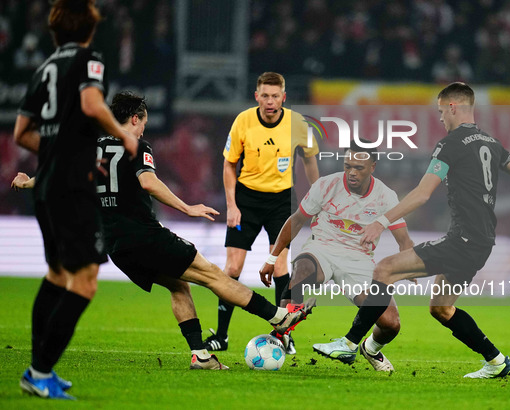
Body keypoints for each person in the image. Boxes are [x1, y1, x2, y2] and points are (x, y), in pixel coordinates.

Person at [12, 91, 316, 374]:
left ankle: (200, 354)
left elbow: (58, 175)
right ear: (134, 119)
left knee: (179, 286)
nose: (143, 130)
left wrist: (27, 182)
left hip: (114, 244)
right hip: (144, 235)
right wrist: (187, 208)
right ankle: (280, 316)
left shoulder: (91, 148)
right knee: (214, 276)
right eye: (142, 122)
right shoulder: (135, 145)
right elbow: (147, 181)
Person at [313, 82, 510, 379]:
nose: (439, 118)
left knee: (384, 269)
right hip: (481, 242)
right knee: (441, 308)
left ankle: (348, 344)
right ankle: (497, 361)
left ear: (452, 107)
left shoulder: (451, 143)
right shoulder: (491, 143)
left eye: (440, 111)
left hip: (462, 241)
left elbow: (423, 194)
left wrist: (380, 221)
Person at [12, 0, 138, 400]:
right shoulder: (89, 58)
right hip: (71, 189)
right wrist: (123, 134)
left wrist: (63, 155)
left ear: (54, 32)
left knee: (55, 276)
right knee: (84, 282)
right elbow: (91, 104)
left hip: (48, 185)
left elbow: (21, 133)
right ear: (90, 29)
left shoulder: (45, 67)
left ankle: (39, 371)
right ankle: (39, 370)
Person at [259, 140, 414, 371]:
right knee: (302, 270)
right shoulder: (326, 185)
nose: (351, 172)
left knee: (391, 323)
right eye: (347, 166)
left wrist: (410, 263)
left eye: (358, 168)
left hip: (359, 259)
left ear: (373, 166)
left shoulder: (385, 196)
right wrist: (272, 258)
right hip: (322, 248)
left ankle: (370, 349)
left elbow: (404, 240)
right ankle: (281, 333)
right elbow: (297, 220)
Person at [206, 72, 319, 353]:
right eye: (265, 96)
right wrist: (232, 206)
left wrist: (317, 198)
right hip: (246, 200)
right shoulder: (243, 121)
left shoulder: (298, 124)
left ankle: (284, 333)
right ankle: (221, 335)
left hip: (282, 201)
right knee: (232, 268)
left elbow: (309, 160)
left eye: (275, 96)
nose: (270, 101)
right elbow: (229, 165)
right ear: (257, 96)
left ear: (284, 96)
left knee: (281, 265)